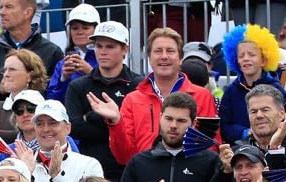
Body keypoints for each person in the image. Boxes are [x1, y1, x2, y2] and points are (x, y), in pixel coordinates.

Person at [90, 28, 218, 167]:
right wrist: (116, 123)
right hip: (146, 176)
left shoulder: (202, 96)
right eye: (158, 51)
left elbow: (211, 146)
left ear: (180, 58)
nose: (164, 56)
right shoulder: (133, 100)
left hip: (189, 176)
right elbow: (124, 157)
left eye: (170, 51)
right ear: (149, 59)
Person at [63, 21, 141, 182]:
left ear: (125, 49)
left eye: (110, 46)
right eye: (99, 46)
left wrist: (91, 117)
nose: (103, 52)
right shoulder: (79, 86)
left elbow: (137, 130)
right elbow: (73, 128)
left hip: (128, 172)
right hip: (91, 171)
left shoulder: (138, 85)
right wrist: (114, 122)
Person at [20, 100, 101, 182]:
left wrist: (58, 176)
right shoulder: (23, 165)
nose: (46, 129)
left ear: (68, 128)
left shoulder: (89, 165)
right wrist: (24, 175)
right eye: (40, 124)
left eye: (53, 123)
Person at [0, 0, 62, 111]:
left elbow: (57, 97)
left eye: (8, 7)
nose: (2, 12)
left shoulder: (51, 51)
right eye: (1, 7)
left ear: (27, 12)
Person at [217, 24, 286, 144]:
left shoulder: (275, 88)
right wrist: (245, 132)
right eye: (241, 56)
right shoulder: (231, 91)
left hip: (272, 146)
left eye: (251, 55)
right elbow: (224, 126)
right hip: (241, 149)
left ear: (264, 60)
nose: (246, 58)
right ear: (236, 61)